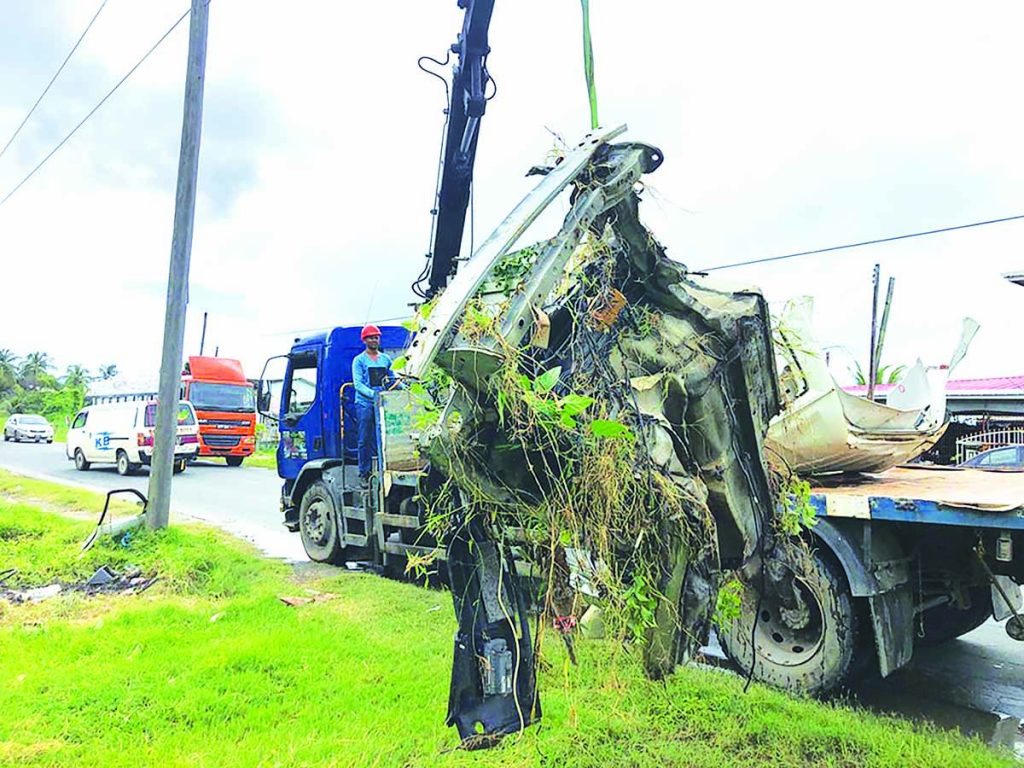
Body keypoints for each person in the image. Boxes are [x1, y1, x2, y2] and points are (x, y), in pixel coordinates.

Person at [351, 324, 393, 485]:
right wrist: (373, 395)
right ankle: (364, 473)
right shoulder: (359, 360)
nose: (374, 340)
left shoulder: (385, 359)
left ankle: (380, 470)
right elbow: (358, 384)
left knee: (381, 438)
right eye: (371, 337)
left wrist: (405, 387)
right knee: (364, 438)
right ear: (364, 340)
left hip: (382, 403)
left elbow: (391, 378)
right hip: (365, 404)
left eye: (376, 337)